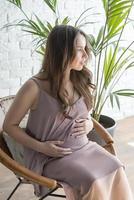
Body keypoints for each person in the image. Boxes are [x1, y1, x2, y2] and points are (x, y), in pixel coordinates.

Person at [3, 25, 133, 200]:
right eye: (80, 50)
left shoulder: (80, 79)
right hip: (49, 157)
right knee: (91, 180)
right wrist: (42, 147)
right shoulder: (33, 87)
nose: (85, 56)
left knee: (116, 167)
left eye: (85, 49)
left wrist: (88, 122)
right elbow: (9, 126)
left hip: (84, 147)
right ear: (62, 52)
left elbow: (84, 112)